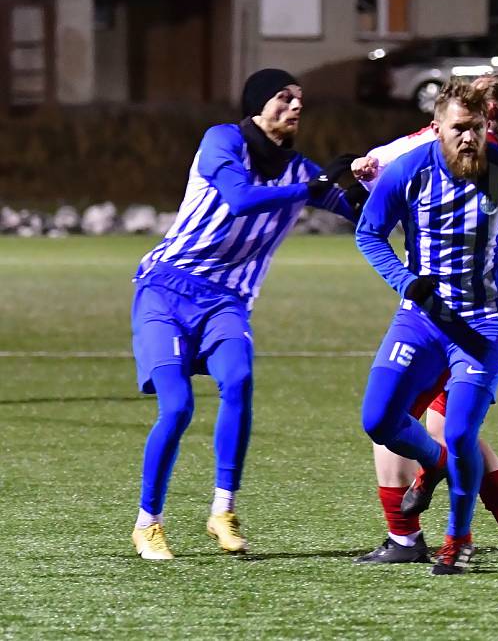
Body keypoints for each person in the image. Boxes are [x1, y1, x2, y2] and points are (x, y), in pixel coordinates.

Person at [130, 69, 358, 560]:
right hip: (166, 291)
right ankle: (148, 522)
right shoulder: (222, 140)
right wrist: (314, 187)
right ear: (258, 104)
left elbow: (358, 210)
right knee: (177, 407)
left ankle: (222, 509)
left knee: (239, 380)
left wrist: (390, 186)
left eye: (301, 100)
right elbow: (238, 199)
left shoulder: (301, 172)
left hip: (226, 302)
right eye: (284, 97)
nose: (296, 107)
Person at [356, 79, 498, 574]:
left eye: (480, 125)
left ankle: (448, 539)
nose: (472, 135)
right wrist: (406, 281)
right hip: (426, 317)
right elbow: (368, 226)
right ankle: (460, 488)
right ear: (439, 126)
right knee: (385, 420)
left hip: (487, 319)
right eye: (462, 126)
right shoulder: (413, 163)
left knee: (457, 428)